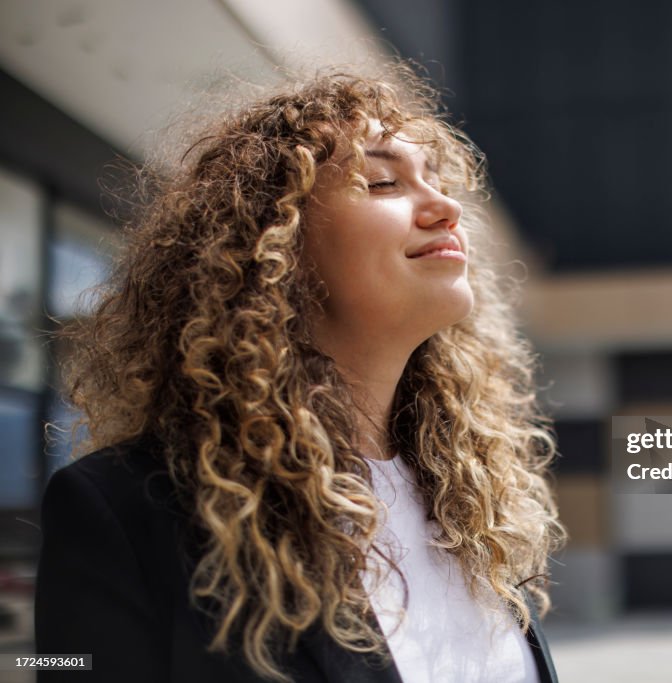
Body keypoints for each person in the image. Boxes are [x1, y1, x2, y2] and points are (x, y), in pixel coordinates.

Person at [35, 66, 565, 683]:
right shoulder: (126, 510)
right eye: (383, 181)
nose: (447, 207)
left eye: (441, 182)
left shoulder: (469, 504)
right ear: (274, 243)